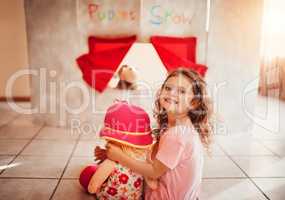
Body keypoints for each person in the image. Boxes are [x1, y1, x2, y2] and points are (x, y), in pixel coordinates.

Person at [96, 68, 212, 200]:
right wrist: (115, 154)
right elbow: (151, 154)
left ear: (194, 102)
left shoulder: (177, 135)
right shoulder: (182, 125)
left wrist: (120, 156)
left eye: (181, 91)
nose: (172, 94)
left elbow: (154, 172)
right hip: (184, 195)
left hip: (164, 197)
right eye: (168, 88)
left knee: (115, 178)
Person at [82, 101, 157, 200]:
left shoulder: (112, 161)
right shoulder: (143, 159)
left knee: (88, 172)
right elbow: (153, 185)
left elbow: (92, 188)